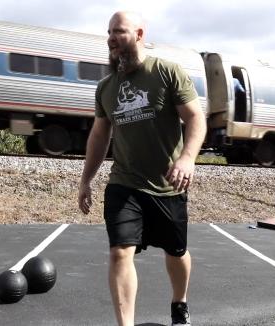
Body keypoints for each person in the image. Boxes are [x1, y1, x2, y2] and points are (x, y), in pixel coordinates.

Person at [77, 11, 206, 326]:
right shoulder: (106, 87)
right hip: (124, 183)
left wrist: (187, 158)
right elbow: (99, 135)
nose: (111, 38)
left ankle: (179, 303)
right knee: (120, 252)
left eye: (118, 31)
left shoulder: (166, 71)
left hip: (167, 185)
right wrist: (86, 180)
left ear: (138, 34)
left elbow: (195, 118)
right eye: (108, 32)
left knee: (176, 252)